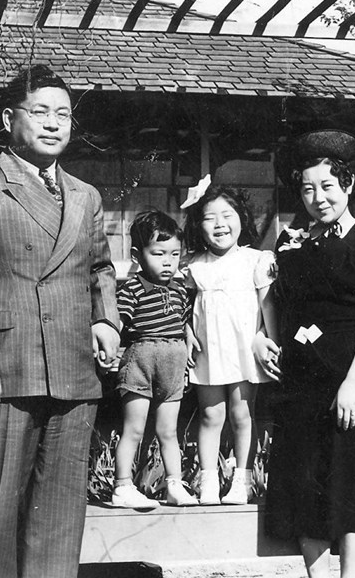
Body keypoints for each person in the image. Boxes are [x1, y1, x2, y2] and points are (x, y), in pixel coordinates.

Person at [0, 64, 121, 578]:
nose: (53, 123)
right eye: (40, 112)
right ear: (9, 117)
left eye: (63, 113)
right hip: (4, 371)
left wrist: (106, 319)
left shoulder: (86, 195)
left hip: (72, 368)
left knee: (60, 515)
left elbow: (100, 266)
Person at [265, 130, 355, 578]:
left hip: (352, 376)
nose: (318, 198)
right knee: (306, 485)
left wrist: (353, 383)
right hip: (303, 378)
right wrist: (259, 338)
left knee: (352, 484)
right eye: (307, 188)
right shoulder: (291, 244)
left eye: (327, 186)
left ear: (347, 186)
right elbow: (273, 303)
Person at [183, 184, 279, 505]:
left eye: (227, 215)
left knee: (242, 413)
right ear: (199, 225)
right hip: (207, 351)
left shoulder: (256, 260)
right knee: (211, 415)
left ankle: (243, 479)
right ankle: (208, 481)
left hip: (243, 350)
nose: (219, 224)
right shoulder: (194, 265)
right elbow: (182, 306)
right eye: (209, 218)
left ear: (242, 218)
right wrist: (185, 331)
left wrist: (269, 340)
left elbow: (268, 307)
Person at [111, 211, 199, 509]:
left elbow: (183, 322)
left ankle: (175, 484)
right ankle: (123, 486)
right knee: (134, 429)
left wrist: (188, 338)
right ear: (137, 255)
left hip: (173, 364)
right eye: (158, 253)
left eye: (175, 254)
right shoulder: (132, 288)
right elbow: (119, 322)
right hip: (141, 361)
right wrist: (108, 345)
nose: (167, 261)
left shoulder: (179, 290)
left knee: (168, 431)